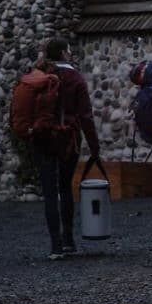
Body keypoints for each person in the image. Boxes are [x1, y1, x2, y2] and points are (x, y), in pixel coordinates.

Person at [34, 38, 100, 260]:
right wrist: (94, 145)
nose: (71, 54)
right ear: (63, 53)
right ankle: (69, 240)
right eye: (69, 51)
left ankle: (55, 245)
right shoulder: (75, 77)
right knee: (64, 187)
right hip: (68, 138)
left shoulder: (38, 76)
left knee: (50, 192)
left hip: (43, 137)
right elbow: (86, 116)